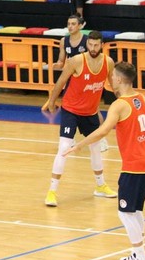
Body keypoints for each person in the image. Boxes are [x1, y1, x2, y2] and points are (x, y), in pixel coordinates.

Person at [64, 62, 145, 260]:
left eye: (112, 77)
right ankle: (137, 253)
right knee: (136, 210)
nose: (110, 80)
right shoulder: (144, 99)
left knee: (125, 213)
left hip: (134, 166)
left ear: (119, 80)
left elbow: (102, 131)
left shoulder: (119, 105)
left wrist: (79, 145)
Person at [42, 31, 116, 207]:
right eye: (90, 44)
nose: (92, 48)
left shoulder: (108, 63)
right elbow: (61, 81)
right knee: (64, 148)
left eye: (96, 45)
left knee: (96, 149)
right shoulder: (76, 61)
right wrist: (52, 101)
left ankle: (100, 186)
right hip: (71, 111)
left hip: (90, 113)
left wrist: (125, 100)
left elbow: (114, 85)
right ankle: (52, 192)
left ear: (102, 46)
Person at [54, 15, 109, 152]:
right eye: (68, 23)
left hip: (86, 77)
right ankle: (69, 138)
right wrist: (58, 64)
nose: (70, 26)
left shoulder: (87, 41)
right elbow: (62, 60)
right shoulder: (64, 41)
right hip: (72, 78)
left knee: (93, 109)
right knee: (67, 106)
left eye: (73, 23)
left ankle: (101, 138)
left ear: (80, 26)